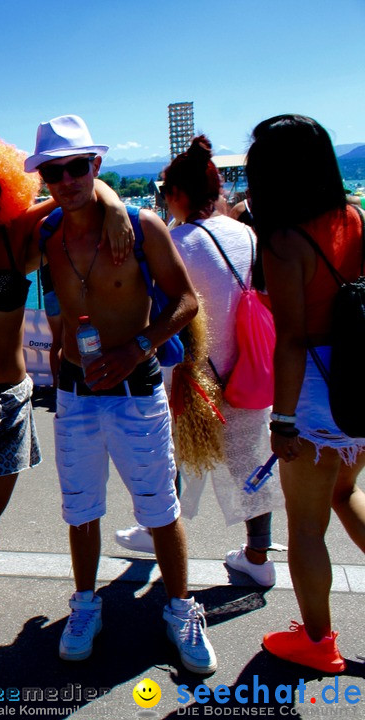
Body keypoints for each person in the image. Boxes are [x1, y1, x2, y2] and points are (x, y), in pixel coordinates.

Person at [0, 131, 132, 679]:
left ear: (4, 191)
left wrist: (111, 204)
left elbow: (78, 193)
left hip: (9, 401)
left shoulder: (19, 235)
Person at [27, 114, 215, 674]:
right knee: (80, 510)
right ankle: (85, 604)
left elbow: (185, 302)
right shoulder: (47, 235)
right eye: (54, 170)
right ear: (44, 178)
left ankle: (181, 609)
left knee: (160, 507)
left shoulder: (141, 225)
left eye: (78, 167)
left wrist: (136, 348)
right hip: (76, 393)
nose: (67, 179)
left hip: (136, 390)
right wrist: (102, 198)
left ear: (96, 166)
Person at [115, 135, 281, 588]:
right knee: (250, 462)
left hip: (194, 373)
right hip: (248, 370)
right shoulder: (245, 233)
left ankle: (156, 530)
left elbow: (160, 308)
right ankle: (258, 557)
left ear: (176, 195)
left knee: (171, 456)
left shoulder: (176, 241)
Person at [246, 114, 365, 674]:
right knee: (346, 495)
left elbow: (291, 340)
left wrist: (284, 421)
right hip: (362, 380)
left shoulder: (283, 241)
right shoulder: (355, 218)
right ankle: (316, 636)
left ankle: (318, 642)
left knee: (307, 527)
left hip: (316, 389)